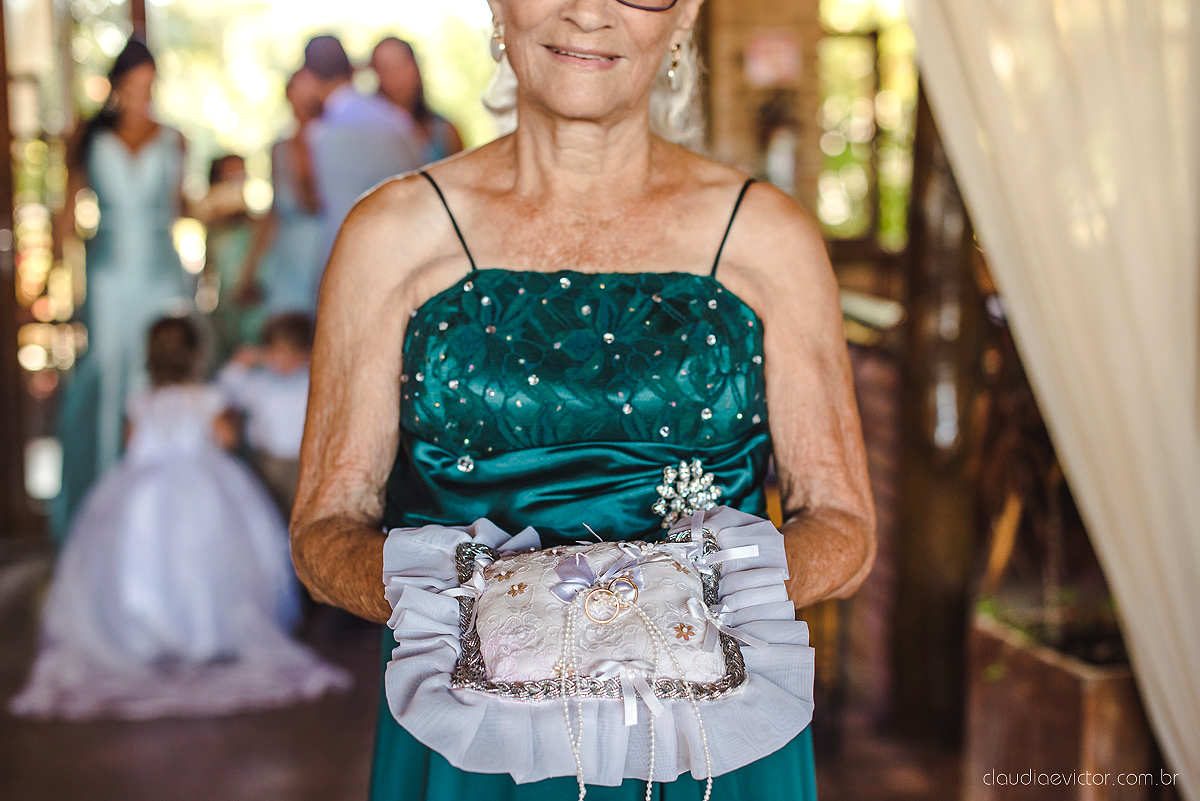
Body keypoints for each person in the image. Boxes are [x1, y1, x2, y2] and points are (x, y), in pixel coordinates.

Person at [291, 1, 876, 800]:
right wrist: (480, 600)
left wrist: (675, 593)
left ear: (685, 15)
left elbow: (844, 525)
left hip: (712, 746)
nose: (588, 10)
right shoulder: (390, 236)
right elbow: (324, 531)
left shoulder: (766, 238)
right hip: (474, 747)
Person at [11, 316, 351, 721]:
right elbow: (224, 439)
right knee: (204, 560)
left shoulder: (141, 398)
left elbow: (131, 442)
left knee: (146, 561)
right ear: (196, 354)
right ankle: (206, 636)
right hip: (201, 484)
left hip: (142, 493)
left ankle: (145, 634)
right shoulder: (206, 397)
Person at [51, 38, 193, 542]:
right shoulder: (90, 137)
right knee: (110, 378)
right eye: (134, 85)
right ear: (117, 84)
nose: (142, 95)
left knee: (163, 374)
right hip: (109, 274)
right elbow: (67, 217)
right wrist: (52, 277)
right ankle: (106, 509)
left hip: (160, 272)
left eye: (149, 86)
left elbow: (180, 209)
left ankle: (164, 508)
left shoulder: (174, 139)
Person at [302, 34, 423, 289]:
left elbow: (323, 208)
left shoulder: (319, 135)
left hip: (348, 270)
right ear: (351, 69)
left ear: (309, 77)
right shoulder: (396, 121)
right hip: (408, 261)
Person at [233, 69, 325, 318]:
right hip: (288, 259)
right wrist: (249, 269)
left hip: (324, 252)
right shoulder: (279, 149)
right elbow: (273, 214)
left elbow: (314, 202)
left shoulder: (331, 145)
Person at [218, 312, 314, 517]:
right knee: (269, 515)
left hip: (304, 463)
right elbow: (225, 391)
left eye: (290, 352)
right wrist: (245, 360)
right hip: (266, 463)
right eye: (277, 351)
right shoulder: (259, 383)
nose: (283, 359)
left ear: (304, 352)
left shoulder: (310, 381)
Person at [199, 153, 265, 362]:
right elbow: (209, 265)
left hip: (249, 302)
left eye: (240, 174)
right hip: (224, 304)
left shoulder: (260, 224)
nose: (237, 180)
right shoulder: (212, 223)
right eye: (230, 175)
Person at [370, 37, 465, 164]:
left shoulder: (446, 132)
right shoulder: (371, 135)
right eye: (386, 68)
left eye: (402, 64)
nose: (396, 76)